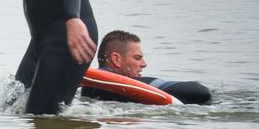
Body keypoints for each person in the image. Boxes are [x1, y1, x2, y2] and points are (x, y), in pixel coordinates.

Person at [82, 30, 211, 105]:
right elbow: (200, 92)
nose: (144, 64)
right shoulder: (112, 85)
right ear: (116, 59)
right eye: (137, 58)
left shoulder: (87, 87)